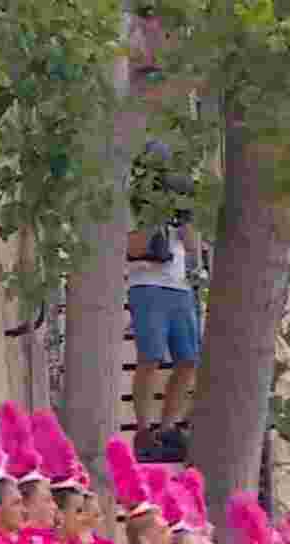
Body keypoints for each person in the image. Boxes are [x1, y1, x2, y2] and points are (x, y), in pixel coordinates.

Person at [126, 141, 200, 463]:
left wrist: (184, 222)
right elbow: (131, 246)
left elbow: (192, 241)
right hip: (148, 284)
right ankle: (144, 430)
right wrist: (152, 220)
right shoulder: (133, 202)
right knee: (150, 357)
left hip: (180, 287)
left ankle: (168, 428)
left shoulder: (179, 202)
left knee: (188, 361)